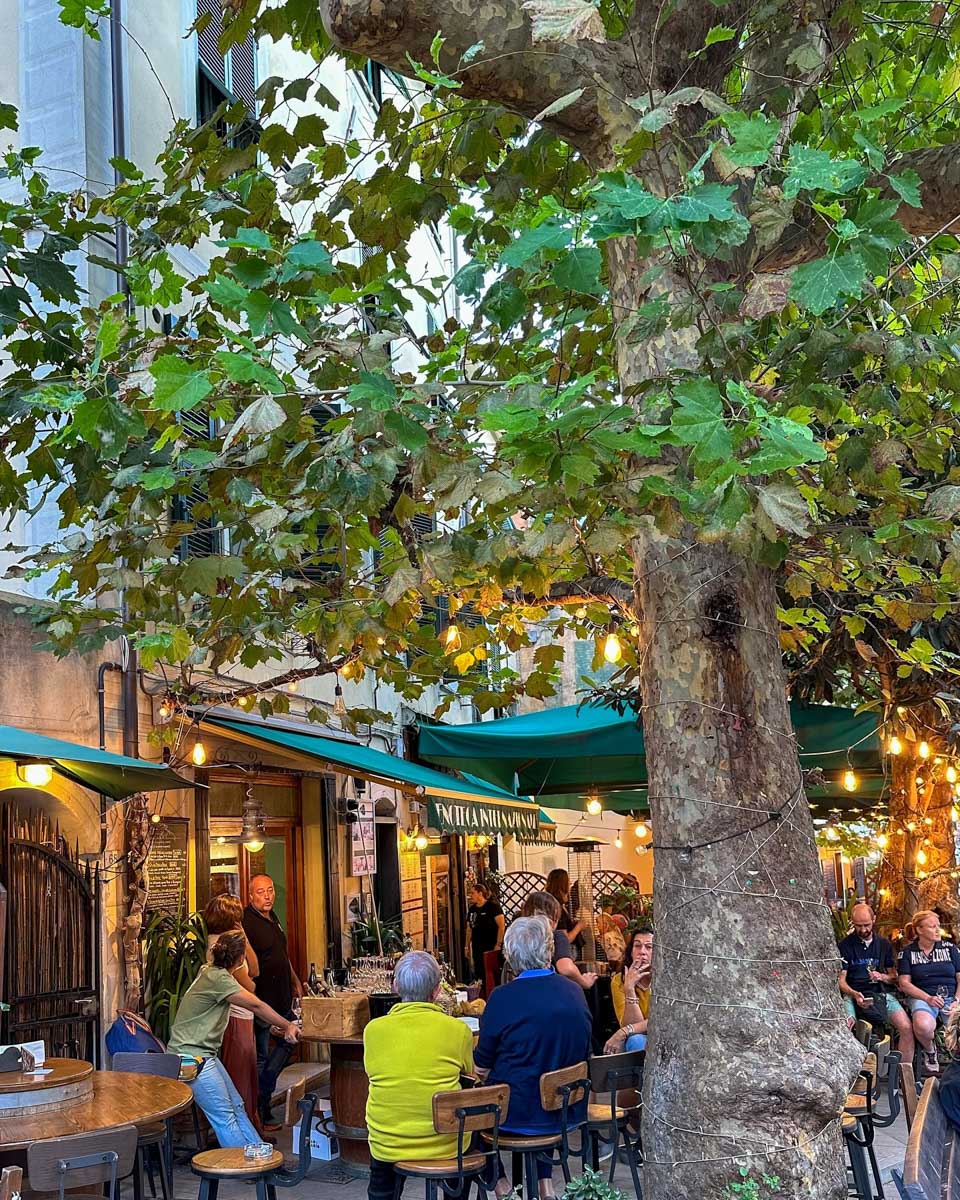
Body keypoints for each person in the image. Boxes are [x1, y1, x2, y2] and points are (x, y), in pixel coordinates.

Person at [475, 917, 592, 1199]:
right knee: (545, 1074)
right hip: (566, 1107)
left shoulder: (502, 998)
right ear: (550, 952)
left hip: (516, 1112)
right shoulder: (574, 991)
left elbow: (481, 1065)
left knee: (465, 1116)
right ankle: (545, 1185)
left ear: (509, 957)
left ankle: (503, 1188)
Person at [167, 932, 300, 1147]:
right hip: (191, 1057)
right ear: (240, 961)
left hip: (201, 1054)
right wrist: (287, 1025)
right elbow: (256, 1004)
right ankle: (245, 1168)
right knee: (224, 1117)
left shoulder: (209, 971)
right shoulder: (219, 979)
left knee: (237, 1106)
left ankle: (259, 1159)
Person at [364, 951, 475, 1200]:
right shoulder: (458, 1030)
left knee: (381, 1180)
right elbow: (469, 1074)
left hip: (388, 1142)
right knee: (472, 1137)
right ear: (436, 991)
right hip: (446, 1143)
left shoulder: (373, 1031)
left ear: (395, 986)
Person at [242, 874, 303, 1130]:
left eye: (270, 890)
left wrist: (295, 980)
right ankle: (260, 1110)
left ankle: (264, 1097)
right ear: (251, 895)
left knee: (289, 1042)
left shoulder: (273, 918)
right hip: (261, 1001)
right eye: (261, 892)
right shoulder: (246, 923)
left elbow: (281, 953)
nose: (267, 896)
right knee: (263, 1056)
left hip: (282, 997)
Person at [204, 893, 262, 1134]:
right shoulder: (219, 946)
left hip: (244, 1014)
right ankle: (244, 1134)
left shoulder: (232, 940)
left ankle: (252, 1128)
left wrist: (244, 937)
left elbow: (255, 968)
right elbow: (250, 984)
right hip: (235, 1016)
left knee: (248, 1075)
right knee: (239, 1078)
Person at [838, 902, 914, 1062]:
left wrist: (882, 976)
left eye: (866, 925)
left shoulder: (884, 944)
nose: (863, 930)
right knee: (846, 1026)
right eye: (858, 926)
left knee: (906, 1027)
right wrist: (854, 994)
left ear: (874, 920)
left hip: (881, 992)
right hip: (853, 994)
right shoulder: (845, 945)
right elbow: (841, 981)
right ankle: (859, 1069)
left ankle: (903, 1073)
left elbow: (894, 976)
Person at [898, 908, 960, 1075]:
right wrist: (928, 998)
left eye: (938, 926)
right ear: (919, 930)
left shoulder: (950, 949)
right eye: (932, 926)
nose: (937, 930)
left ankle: (956, 1064)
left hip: (952, 998)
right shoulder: (908, 953)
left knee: (956, 1025)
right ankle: (930, 1051)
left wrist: (957, 1000)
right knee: (924, 1026)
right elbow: (904, 983)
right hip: (924, 997)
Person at [519, 891, 597, 992]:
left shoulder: (518, 936)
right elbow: (566, 968)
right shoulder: (557, 936)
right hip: (552, 991)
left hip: (524, 991)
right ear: (554, 917)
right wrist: (584, 982)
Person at [604, 926, 653, 1053]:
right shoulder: (619, 980)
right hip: (638, 1040)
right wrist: (630, 989)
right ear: (631, 952)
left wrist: (624, 1031)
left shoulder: (666, 979)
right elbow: (632, 1028)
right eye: (637, 946)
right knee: (635, 1040)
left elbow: (662, 1021)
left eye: (649, 947)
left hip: (664, 1036)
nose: (642, 952)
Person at [465, 882, 505, 986]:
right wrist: (466, 946)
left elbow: (501, 926)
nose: (471, 895)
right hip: (477, 946)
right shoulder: (472, 909)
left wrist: (498, 944)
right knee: (479, 971)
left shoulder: (493, 907)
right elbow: (469, 928)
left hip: (490, 946)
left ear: (480, 893)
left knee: (491, 972)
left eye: (473, 893)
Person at [544, 869, 583, 946]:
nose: (570, 884)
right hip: (563, 953)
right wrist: (579, 927)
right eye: (568, 882)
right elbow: (564, 940)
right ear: (562, 885)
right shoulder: (557, 908)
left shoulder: (551, 904)